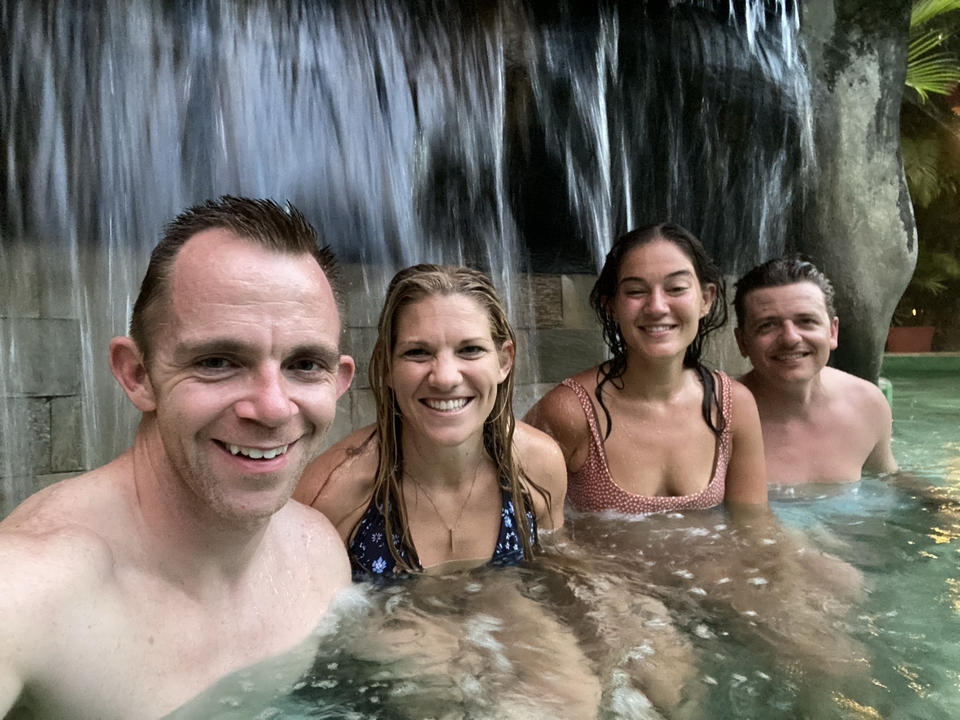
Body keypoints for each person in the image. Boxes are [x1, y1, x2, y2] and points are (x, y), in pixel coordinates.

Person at [0, 197, 356, 720]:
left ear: (339, 381)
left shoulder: (318, 553)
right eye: (217, 362)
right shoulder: (33, 588)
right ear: (137, 374)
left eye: (305, 364)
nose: (274, 407)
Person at [294, 264, 566, 577]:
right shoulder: (330, 495)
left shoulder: (538, 466)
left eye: (470, 350)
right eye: (418, 352)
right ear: (385, 366)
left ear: (504, 360)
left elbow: (553, 576)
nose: (445, 378)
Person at [524, 222, 768, 515]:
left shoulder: (733, 406)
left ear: (706, 299)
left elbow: (755, 529)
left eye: (676, 288)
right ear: (611, 305)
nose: (657, 307)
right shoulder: (570, 411)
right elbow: (523, 531)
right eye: (636, 291)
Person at [733, 256, 898, 484]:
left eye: (806, 321)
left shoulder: (867, 404)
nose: (790, 338)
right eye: (767, 325)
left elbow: (887, 482)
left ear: (832, 331)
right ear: (742, 342)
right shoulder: (717, 418)